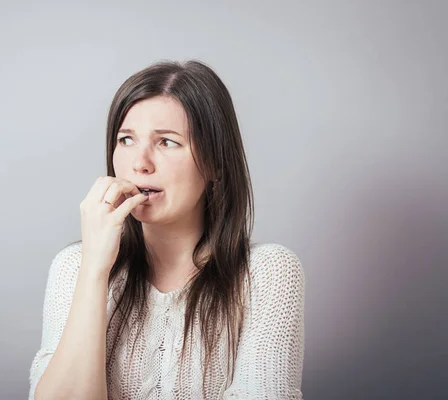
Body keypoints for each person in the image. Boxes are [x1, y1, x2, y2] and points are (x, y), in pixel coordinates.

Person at [29, 60, 305, 400]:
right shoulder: (74, 268)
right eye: (126, 139)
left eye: (167, 142)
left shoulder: (266, 273)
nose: (139, 162)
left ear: (215, 164)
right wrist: (94, 268)